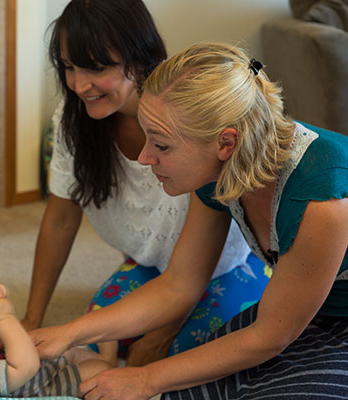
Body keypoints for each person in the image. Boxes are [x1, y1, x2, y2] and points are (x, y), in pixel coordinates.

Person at [28, 41, 348, 400]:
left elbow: (269, 337)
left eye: (161, 146)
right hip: (306, 308)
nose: (144, 158)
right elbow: (178, 285)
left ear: (226, 142)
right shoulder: (219, 172)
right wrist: (69, 332)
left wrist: (145, 379)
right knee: (192, 387)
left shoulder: (324, 196)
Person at [22, 0, 267, 366]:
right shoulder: (75, 121)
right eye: (68, 67)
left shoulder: (191, 125)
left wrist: (159, 336)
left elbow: (189, 275)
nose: (77, 84)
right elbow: (60, 219)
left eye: (95, 67)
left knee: (189, 356)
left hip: (224, 266)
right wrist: (31, 319)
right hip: (157, 267)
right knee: (97, 334)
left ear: (138, 56)